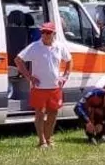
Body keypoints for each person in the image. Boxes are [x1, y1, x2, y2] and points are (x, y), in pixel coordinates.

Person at [17, 21, 72, 149]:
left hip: (55, 87)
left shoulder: (60, 46)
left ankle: (49, 138)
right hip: (39, 87)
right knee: (40, 113)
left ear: (54, 34)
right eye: (43, 32)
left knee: (53, 113)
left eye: (48, 32)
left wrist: (65, 76)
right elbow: (18, 60)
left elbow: (69, 60)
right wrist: (29, 77)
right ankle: (41, 141)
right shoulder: (35, 46)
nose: (45, 35)